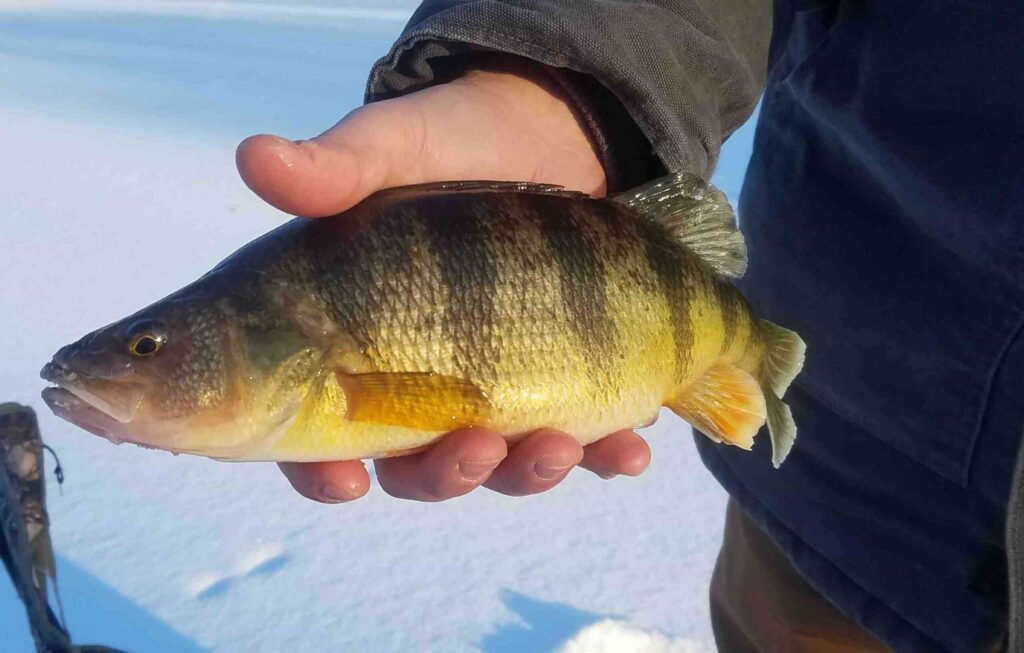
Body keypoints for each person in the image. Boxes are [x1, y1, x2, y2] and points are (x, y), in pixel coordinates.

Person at [235, 1, 1024, 651]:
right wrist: (570, 77)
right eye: (147, 343)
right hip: (865, 502)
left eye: (150, 348)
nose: (133, 361)